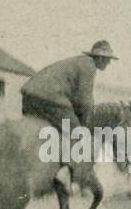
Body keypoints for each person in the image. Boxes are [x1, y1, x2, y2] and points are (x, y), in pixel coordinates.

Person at [21, 40, 118, 189]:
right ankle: (64, 173)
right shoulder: (89, 66)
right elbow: (84, 101)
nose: (108, 63)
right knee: (78, 133)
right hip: (49, 96)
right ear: (98, 57)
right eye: (107, 59)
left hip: (29, 94)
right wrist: (84, 125)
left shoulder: (78, 63)